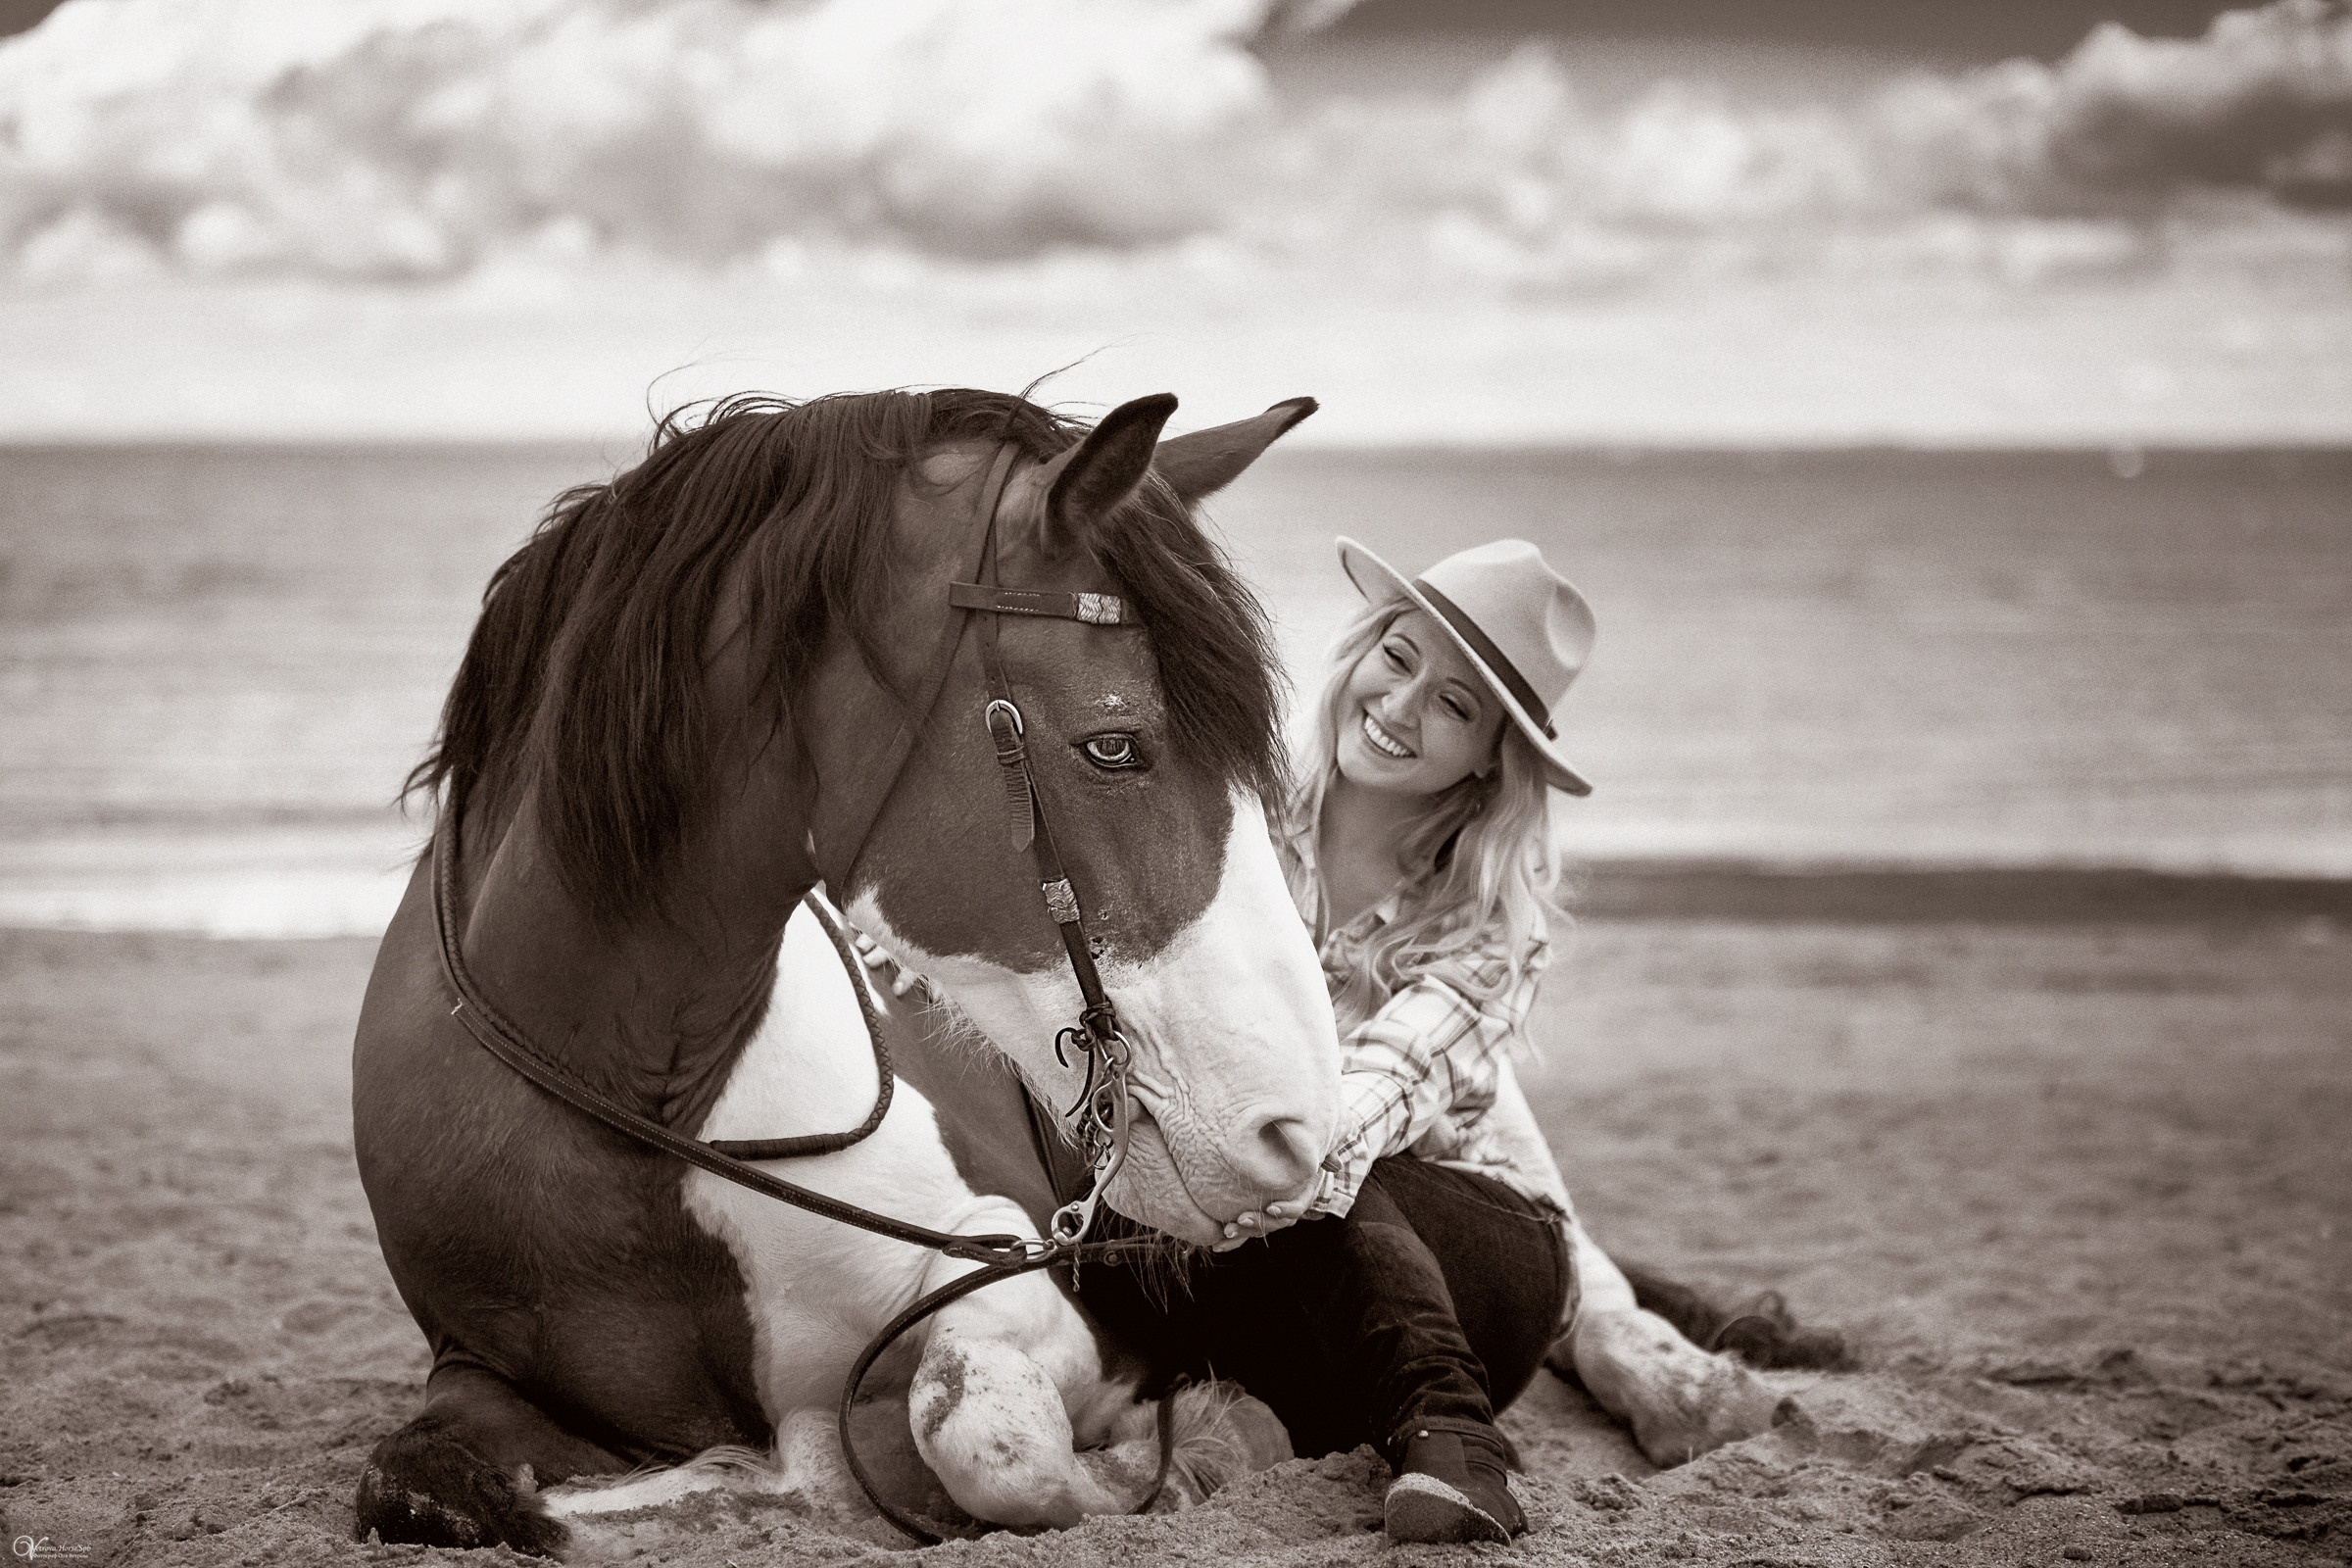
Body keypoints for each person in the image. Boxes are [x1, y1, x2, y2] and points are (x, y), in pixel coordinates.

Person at [1069, 535, 1598, 1544]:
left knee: (1315, 1144)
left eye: (1453, 704)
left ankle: (1455, 1438)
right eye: (1398, 659)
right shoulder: (1232, 815)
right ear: (1360, 651)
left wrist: (1244, 1167)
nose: (1400, 707)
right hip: (1252, 1264)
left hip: (1468, 1261)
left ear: (1494, 754)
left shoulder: (1487, 924)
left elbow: (1365, 1102)